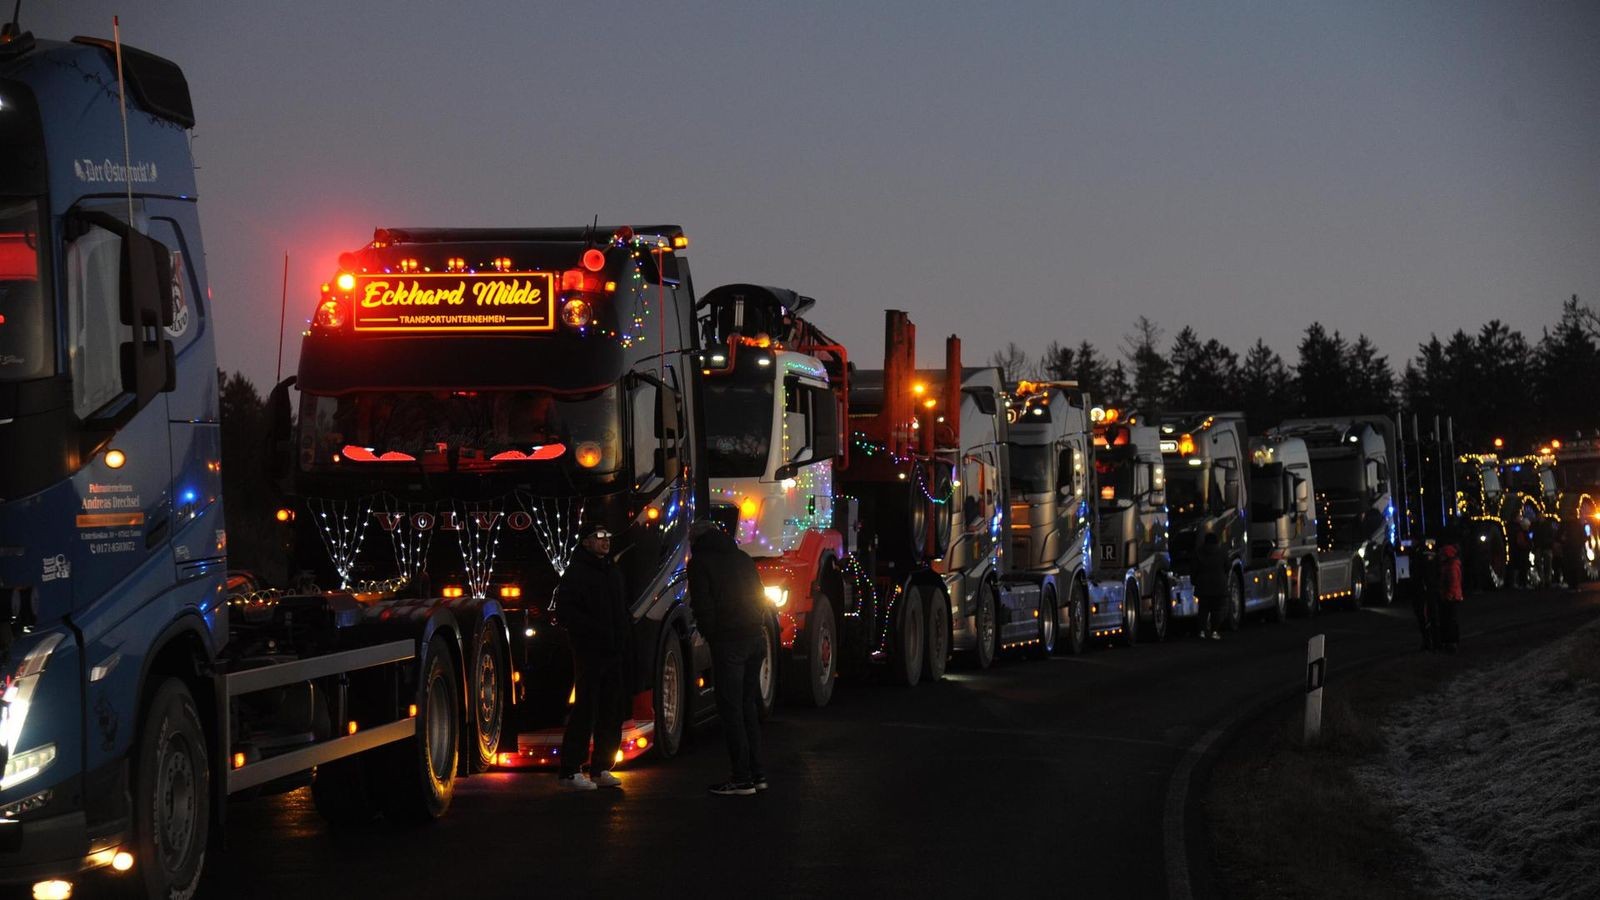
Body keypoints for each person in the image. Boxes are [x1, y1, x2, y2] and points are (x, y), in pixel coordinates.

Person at [688, 520, 769, 796]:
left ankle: (741, 778)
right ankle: (758, 774)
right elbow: (759, 596)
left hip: (729, 641)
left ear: (695, 540)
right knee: (747, 706)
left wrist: (712, 635)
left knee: (730, 709)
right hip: (755, 638)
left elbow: (702, 603)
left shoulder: (700, 562)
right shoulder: (742, 557)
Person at [554, 523, 629, 791]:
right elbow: (565, 612)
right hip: (590, 651)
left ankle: (601, 767)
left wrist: (621, 637)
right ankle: (571, 770)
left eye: (607, 535)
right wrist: (593, 632)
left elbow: (621, 609)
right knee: (586, 708)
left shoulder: (612, 571)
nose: (605, 540)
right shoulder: (577, 573)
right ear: (586, 542)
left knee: (612, 710)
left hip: (613, 652)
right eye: (599, 537)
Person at [1194, 532, 1229, 640]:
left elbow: (1194, 569)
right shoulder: (1222, 552)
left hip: (1203, 585)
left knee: (1203, 610)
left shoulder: (1198, 553)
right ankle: (1214, 631)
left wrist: (1195, 581)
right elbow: (1227, 566)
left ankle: (1202, 631)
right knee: (1216, 610)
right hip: (1219, 586)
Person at [1437, 540, 1464, 653]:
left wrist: (1448, 595)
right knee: (1450, 620)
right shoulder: (1452, 564)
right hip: (1453, 596)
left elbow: (1453, 583)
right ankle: (1451, 642)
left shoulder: (1451, 566)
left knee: (1450, 621)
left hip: (1451, 598)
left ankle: (1452, 643)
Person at [1413, 539, 1440, 651]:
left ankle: (1429, 642)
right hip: (1430, 588)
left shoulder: (1420, 553)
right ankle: (1434, 642)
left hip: (1424, 589)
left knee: (1426, 615)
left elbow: (1416, 572)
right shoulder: (1433, 553)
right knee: (1431, 615)